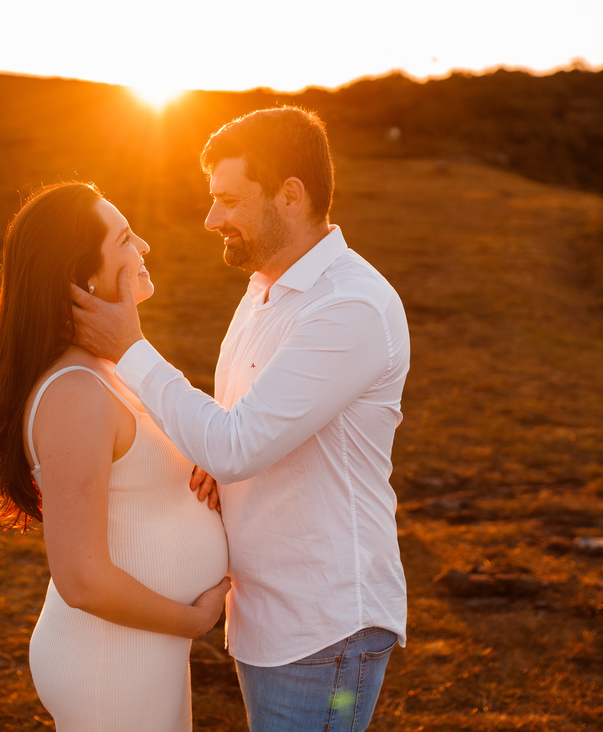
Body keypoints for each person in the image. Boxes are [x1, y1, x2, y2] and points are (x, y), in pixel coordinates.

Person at [71, 106, 411, 731]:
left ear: (290, 195)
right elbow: (241, 428)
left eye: (228, 200)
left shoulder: (349, 306)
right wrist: (214, 454)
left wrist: (130, 349)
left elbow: (237, 444)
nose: (210, 219)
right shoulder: (264, 287)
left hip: (323, 625)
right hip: (269, 614)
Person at [0, 181, 231, 731]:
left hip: (138, 649)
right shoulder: (74, 393)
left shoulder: (106, 369)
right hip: (109, 660)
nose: (146, 249)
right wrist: (192, 620)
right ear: (84, 276)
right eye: (125, 238)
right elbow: (81, 577)